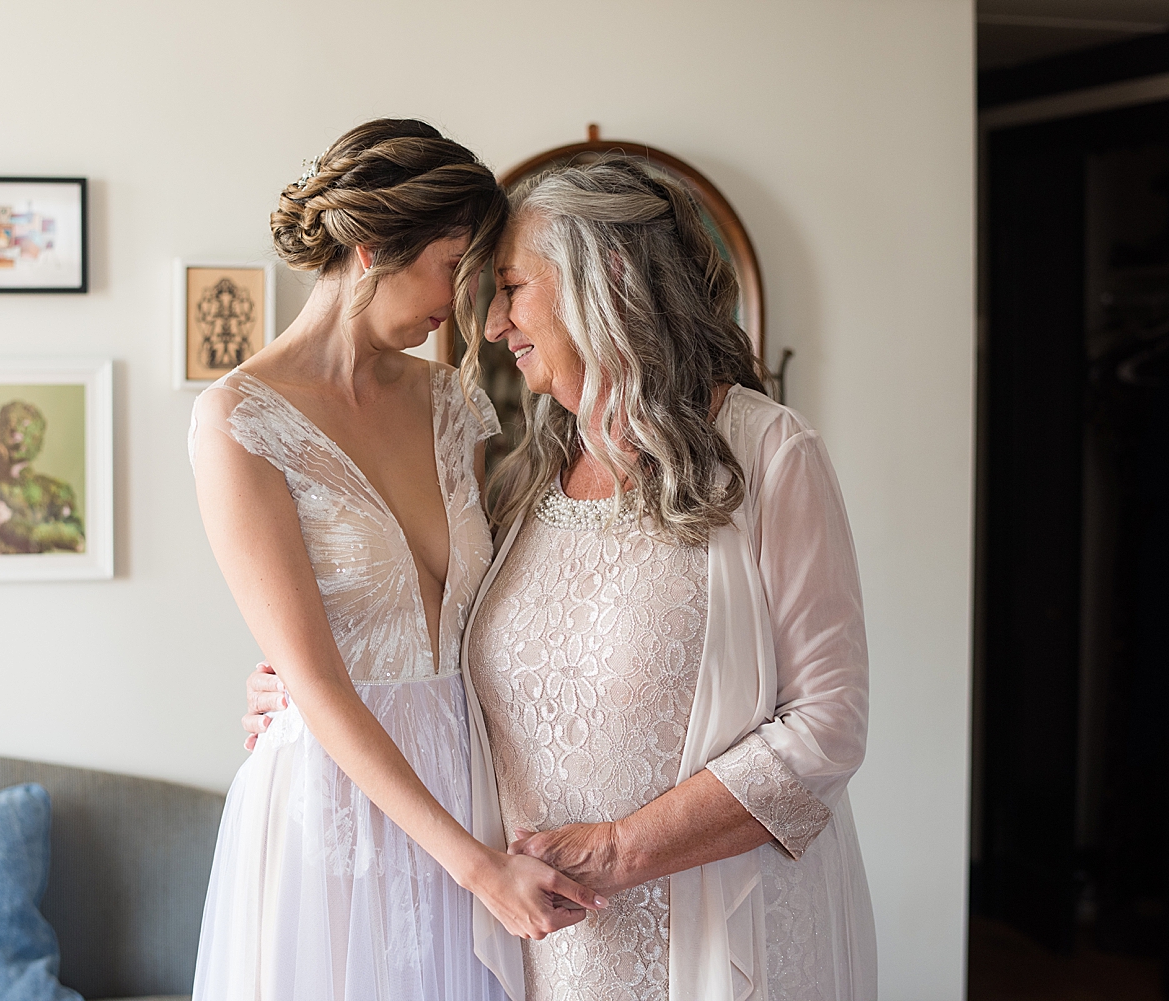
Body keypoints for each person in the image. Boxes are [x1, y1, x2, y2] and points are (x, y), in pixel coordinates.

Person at [245, 156, 878, 1000]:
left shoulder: (769, 453)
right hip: (547, 945)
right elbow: (436, 630)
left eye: (511, 286)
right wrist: (302, 680)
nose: (496, 323)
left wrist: (622, 847)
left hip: (719, 932)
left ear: (602, 280)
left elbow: (829, 725)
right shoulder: (524, 468)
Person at [187, 119, 604, 1001]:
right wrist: (478, 869)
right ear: (374, 248)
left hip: (467, 779)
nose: (466, 305)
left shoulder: (450, 401)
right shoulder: (237, 422)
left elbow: (495, 599)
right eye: (453, 268)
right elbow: (321, 682)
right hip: (335, 807)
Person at [0, 400, 84, 554]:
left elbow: (76, 538)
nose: (15, 432)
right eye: (7, 425)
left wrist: (11, 525)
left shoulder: (54, 489)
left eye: (25, 426)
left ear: (36, 437)